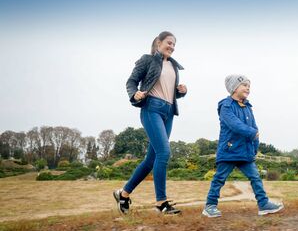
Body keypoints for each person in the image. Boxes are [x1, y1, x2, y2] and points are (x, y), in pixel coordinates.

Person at [114, 31, 187, 215]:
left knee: (151, 160)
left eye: (174, 44)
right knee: (164, 152)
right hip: (151, 109)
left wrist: (181, 91)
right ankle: (161, 202)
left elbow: (168, 90)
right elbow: (131, 81)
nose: (171, 47)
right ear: (158, 42)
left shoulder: (173, 66)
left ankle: (123, 194)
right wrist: (134, 93)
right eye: (169, 43)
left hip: (168, 112)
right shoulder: (147, 59)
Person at [202, 74, 283, 217]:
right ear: (234, 88)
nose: (248, 88)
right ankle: (210, 205)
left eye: (249, 86)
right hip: (230, 150)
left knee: (255, 177)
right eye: (244, 85)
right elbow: (235, 124)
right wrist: (252, 133)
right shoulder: (226, 106)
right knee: (220, 178)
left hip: (245, 152)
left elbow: (254, 127)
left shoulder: (247, 107)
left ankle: (263, 204)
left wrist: (254, 147)